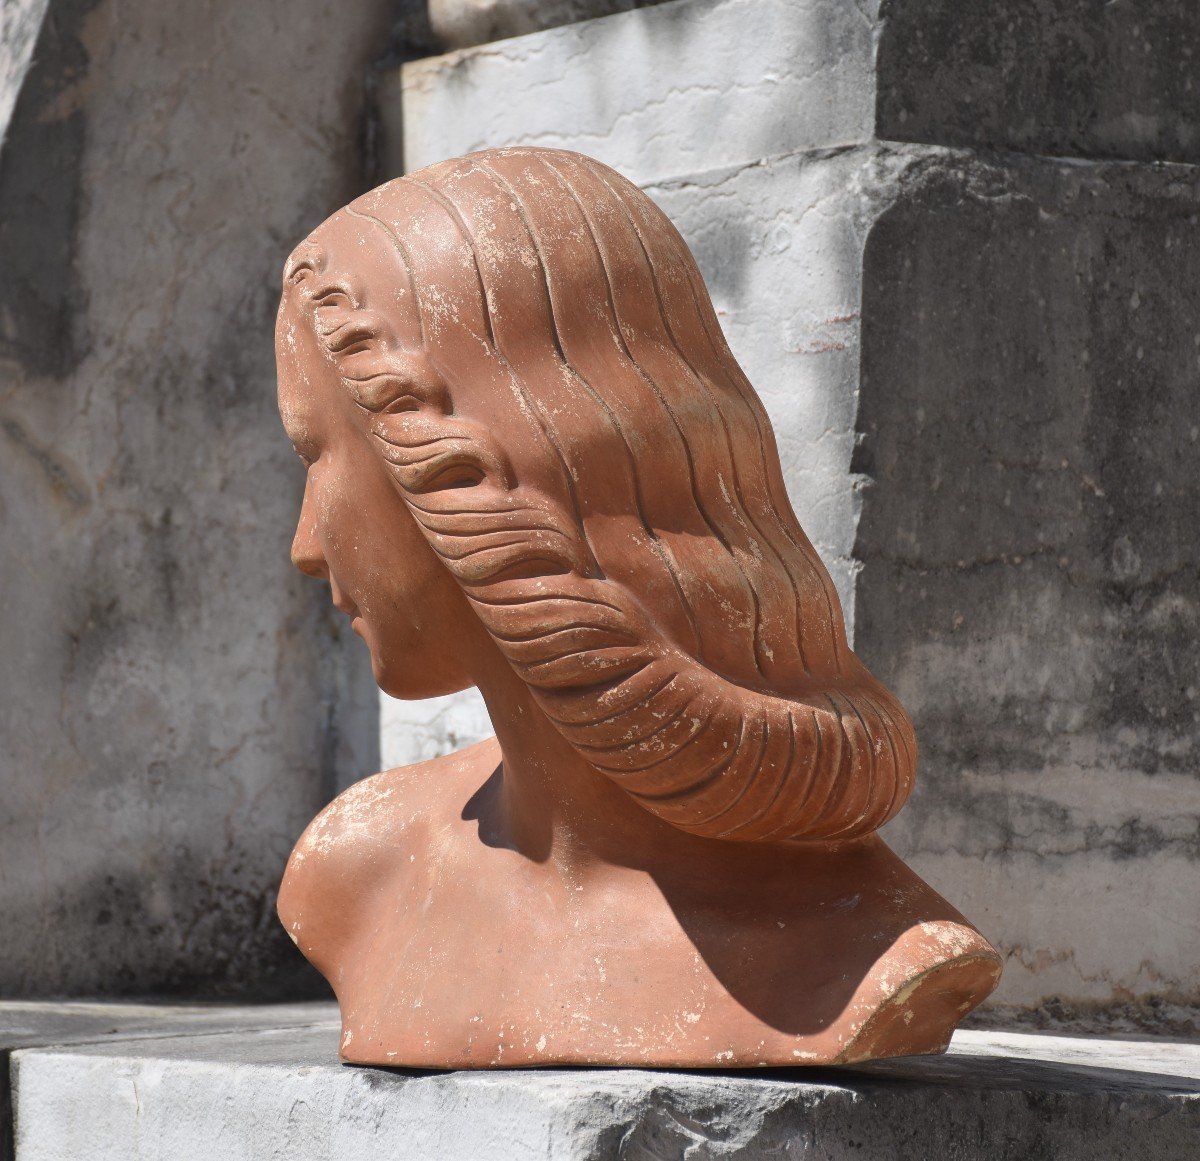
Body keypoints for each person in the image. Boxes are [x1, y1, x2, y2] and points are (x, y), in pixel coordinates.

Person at [275, 146, 1000, 1067]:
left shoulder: (864, 962)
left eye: (313, 455)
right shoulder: (352, 869)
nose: (304, 546)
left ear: (469, 456)